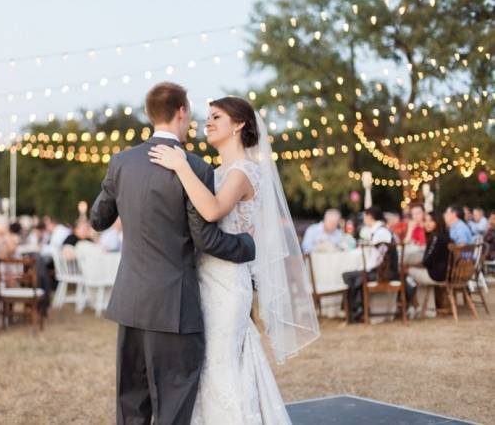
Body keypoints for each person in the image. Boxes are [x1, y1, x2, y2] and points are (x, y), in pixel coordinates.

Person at [144, 89, 319, 423]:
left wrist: (181, 167)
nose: (206, 123)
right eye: (207, 117)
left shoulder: (243, 171)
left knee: (220, 363)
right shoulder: (216, 172)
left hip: (227, 283)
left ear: (238, 125)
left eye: (216, 118)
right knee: (212, 362)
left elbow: (211, 211)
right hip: (203, 281)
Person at [91, 83, 262, 424]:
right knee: (174, 401)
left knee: (131, 401)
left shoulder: (122, 162)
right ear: (182, 112)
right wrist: (248, 245)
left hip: (130, 302)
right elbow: (206, 240)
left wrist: (115, 188)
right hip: (174, 306)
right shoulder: (195, 167)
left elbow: (98, 219)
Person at [342, 207, 397, 323]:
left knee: (352, 276)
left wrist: (365, 269)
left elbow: (379, 258)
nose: (364, 220)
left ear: (370, 216)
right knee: (350, 276)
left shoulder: (381, 233)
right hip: (380, 270)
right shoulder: (379, 231)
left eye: (365, 217)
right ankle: (357, 309)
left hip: (384, 273)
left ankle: (356, 310)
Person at [406, 213, 450, 318]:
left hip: (436, 275)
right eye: (425, 221)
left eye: (431, 221)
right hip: (441, 273)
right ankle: (428, 310)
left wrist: (415, 265)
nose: (427, 224)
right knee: (418, 277)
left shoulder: (435, 237)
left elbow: (427, 260)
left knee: (405, 271)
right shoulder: (443, 235)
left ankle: (412, 304)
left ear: (438, 222)